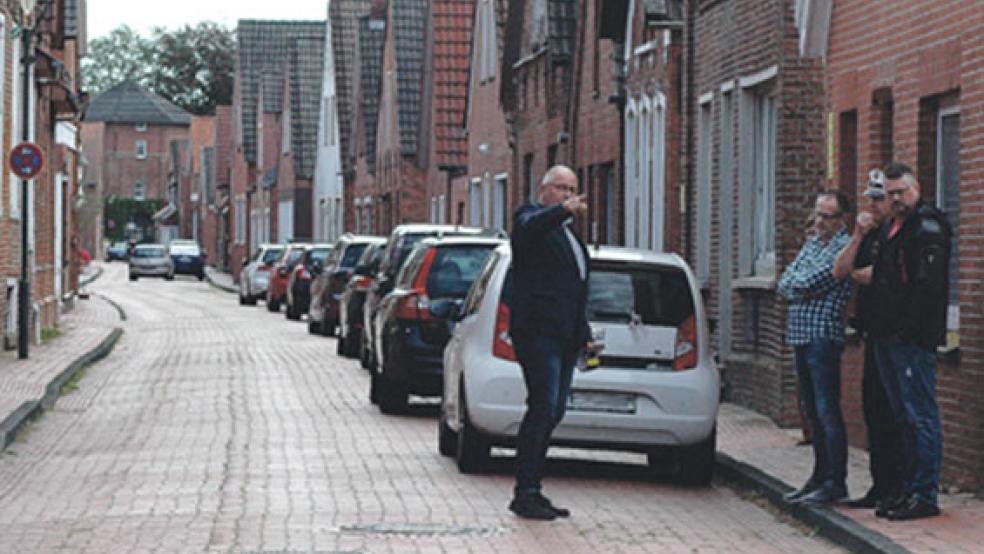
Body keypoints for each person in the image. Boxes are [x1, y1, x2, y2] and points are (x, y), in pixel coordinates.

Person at [507, 165, 592, 520]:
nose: (567, 194)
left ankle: (534, 487)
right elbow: (528, 228)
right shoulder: (530, 218)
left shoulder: (570, 238)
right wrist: (560, 212)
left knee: (554, 410)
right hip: (538, 332)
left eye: (572, 189)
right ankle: (524, 491)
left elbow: (573, 290)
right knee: (542, 406)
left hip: (565, 336)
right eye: (560, 188)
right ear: (544, 190)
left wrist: (583, 334)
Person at [869, 162, 950, 521]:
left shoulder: (927, 227)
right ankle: (905, 489)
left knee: (920, 415)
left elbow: (926, 287)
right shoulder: (891, 227)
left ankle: (924, 493)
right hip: (888, 336)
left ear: (915, 189)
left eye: (902, 192)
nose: (896, 199)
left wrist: (905, 328)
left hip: (912, 339)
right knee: (901, 415)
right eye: (890, 194)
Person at [832, 170, 905, 511]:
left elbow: (886, 275)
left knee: (895, 413)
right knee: (874, 410)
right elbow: (841, 270)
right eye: (871, 198)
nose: (874, 205)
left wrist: (868, 275)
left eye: (879, 198)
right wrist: (859, 235)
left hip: (896, 334)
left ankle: (899, 485)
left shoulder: (900, 235)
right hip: (871, 334)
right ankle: (880, 485)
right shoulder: (873, 236)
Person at [778, 192, 854, 505]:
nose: (819, 222)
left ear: (842, 220)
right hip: (801, 335)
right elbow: (786, 282)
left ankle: (836, 480)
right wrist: (800, 287)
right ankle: (819, 475)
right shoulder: (812, 244)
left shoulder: (844, 248)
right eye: (817, 215)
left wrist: (800, 287)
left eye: (827, 216)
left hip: (823, 336)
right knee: (810, 411)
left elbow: (813, 282)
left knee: (826, 410)